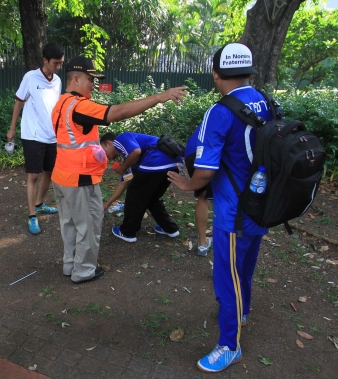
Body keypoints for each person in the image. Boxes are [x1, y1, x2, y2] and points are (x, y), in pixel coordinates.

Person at [167, 43, 273, 373]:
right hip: (262, 202)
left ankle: (230, 345)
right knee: (245, 266)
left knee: (227, 276)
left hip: (233, 210)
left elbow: (207, 168)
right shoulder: (266, 102)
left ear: (216, 75)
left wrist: (187, 184)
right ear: (249, 72)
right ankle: (241, 311)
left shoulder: (220, 112)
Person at [51, 56, 187, 284]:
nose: (93, 85)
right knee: (89, 224)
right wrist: (159, 97)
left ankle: (69, 264)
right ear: (75, 78)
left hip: (61, 176)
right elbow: (118, 113)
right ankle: (83, 271)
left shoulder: (60, 105)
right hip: (79, 178)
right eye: (90, 79)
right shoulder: (78, 105)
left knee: (70, 223)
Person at [7, 42, 65, 235]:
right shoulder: (30, 77)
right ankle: (32, 215)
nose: (58, 67)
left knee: (50, 171)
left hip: (52, 135)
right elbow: (19, 101)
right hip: (32, 134)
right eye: (55, 63)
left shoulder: (57, 81)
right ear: (45, 60)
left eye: (61, 63)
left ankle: (39, 203)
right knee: (33, 175)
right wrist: (12, 127)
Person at [101, 132, 182, 243]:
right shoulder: (131, 159)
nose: (104, 156)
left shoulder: (120, 139)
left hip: (156, 162)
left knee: (134, 195)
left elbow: (136, 151)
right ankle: (170, 228)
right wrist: (108, 203)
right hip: (174, 164)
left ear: (109, 143)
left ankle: (127, 232)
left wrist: (122, 167)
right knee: (152, 198)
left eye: (102, 150)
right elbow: (125, 182)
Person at [185, 125, 213, 256]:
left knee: (203, 197)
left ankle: (202, 244)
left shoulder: (216, 112)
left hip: (192, 152)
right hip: (211, 151)